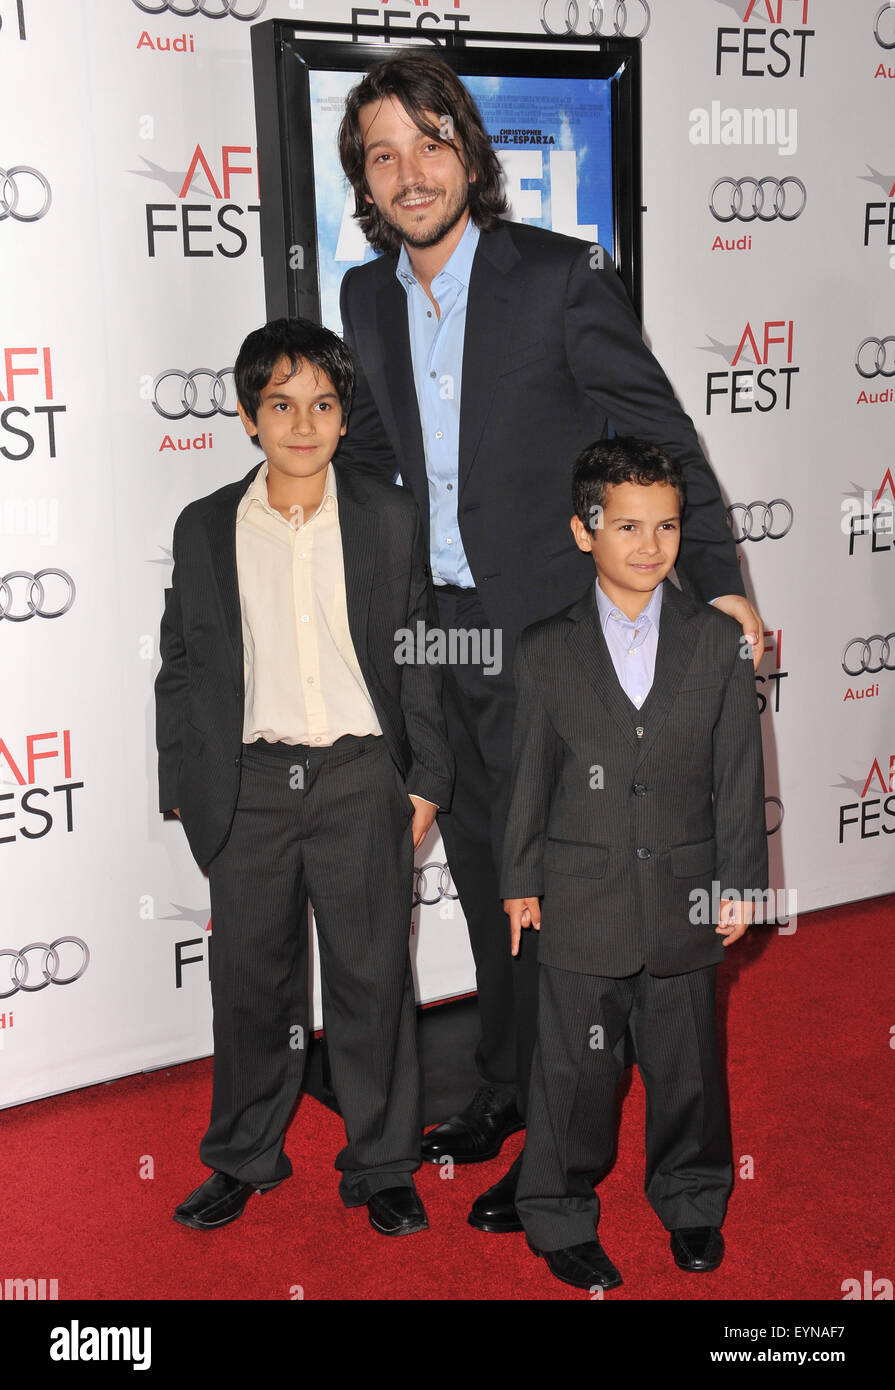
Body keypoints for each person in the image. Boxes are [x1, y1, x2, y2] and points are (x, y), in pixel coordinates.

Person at [335, 50, 763, 1233]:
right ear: (362, 184)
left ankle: (568, 1134)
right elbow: (374, 465)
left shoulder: (559, 278)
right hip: (445, 633)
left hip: (552, 636)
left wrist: (720, 579)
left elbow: (659, 434)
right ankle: (506, 1091)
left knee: (577, 892)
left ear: (469, 154)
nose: (410, 172)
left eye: (430, 143)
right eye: (382, 154)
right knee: (491, 874)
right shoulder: (364, 300)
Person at [154, 317, 453, 1237]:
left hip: (362, 778)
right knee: (250, 986)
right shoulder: (205, 526)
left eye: (321, 404)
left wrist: (426, 778)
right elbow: (182, 662)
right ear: (248, 417)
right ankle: (245, 1156)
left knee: (372, 980)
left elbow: (418, 653)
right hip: (249, 785)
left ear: (342, 416)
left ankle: (383, 1164)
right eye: (279, 404)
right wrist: (185, 781)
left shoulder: (388, 516)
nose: (301, 423)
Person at [501, 437, 767, 1290]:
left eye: (665, 526)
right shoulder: (545, 648)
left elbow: (737, 774)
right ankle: (557, 1211)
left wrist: (739, 881)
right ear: (585, 532)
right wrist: (519, 881)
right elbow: (527, 777)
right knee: (573, 1074)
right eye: (626, 526)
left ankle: (692, 1200)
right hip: (581, 898)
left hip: (686, 893)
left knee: (688, 1061)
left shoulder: (715, 641)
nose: (649, 546)